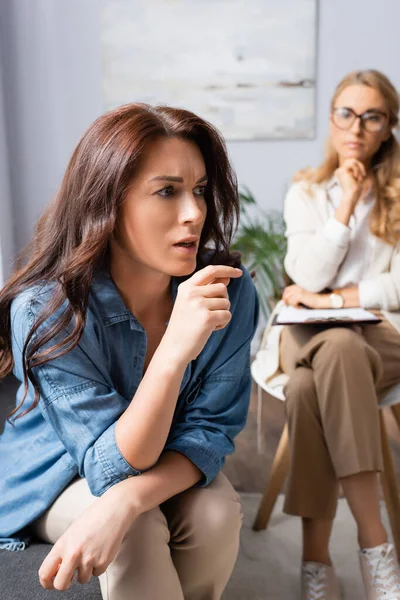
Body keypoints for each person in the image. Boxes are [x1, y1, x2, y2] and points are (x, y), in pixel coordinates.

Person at [0, 103, 259, 599]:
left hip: (160, 464)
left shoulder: (229, 291)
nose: (195, 213)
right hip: (56, 475)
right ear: (108, 204)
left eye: (200, 190)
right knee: (137, 533)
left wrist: (126, 502)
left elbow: (210, 432)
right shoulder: (47, 308)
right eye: (167, 191)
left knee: (216, 513)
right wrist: (172, 354)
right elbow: (110, 466)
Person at [279, 70, 400, 599]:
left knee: (324, 372)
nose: (357, 126)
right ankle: (379, 552)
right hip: (305, 339)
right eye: (346, 113)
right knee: (335, 354)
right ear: (331, 120)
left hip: (383, 341)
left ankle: (317, 564)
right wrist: (346, 203)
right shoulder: (307, 191)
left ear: (388, 126)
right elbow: (306, 274)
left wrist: (332, 303)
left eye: (372, 116)